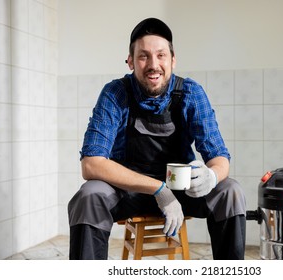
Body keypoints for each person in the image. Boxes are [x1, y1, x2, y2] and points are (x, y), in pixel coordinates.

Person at [68, 17, 246, 260]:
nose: (153, 64)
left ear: (173, 60)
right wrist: (159, 190)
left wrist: (212, 175)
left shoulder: (191, 93)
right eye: (144, 56)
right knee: (89, 196)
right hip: (127, 192)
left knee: (231, 191)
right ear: (130, 61)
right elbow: (91, 164)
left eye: (161, 55)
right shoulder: (115, 93)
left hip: (181, 189)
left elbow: (219, 157)